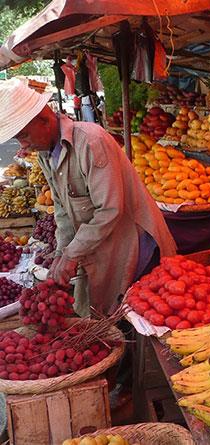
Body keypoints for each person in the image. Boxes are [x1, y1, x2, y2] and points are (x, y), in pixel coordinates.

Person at [0, 78, 177, 316]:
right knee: (101, 313)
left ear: (43, 119)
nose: (22, 146)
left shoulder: (91, 141)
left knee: (138, 317)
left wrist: (72, 255)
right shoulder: (45, 155)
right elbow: (62, 210)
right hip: (104, 244)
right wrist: (62, 254)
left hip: (134, 246)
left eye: (24, 135)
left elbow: (110, 209)